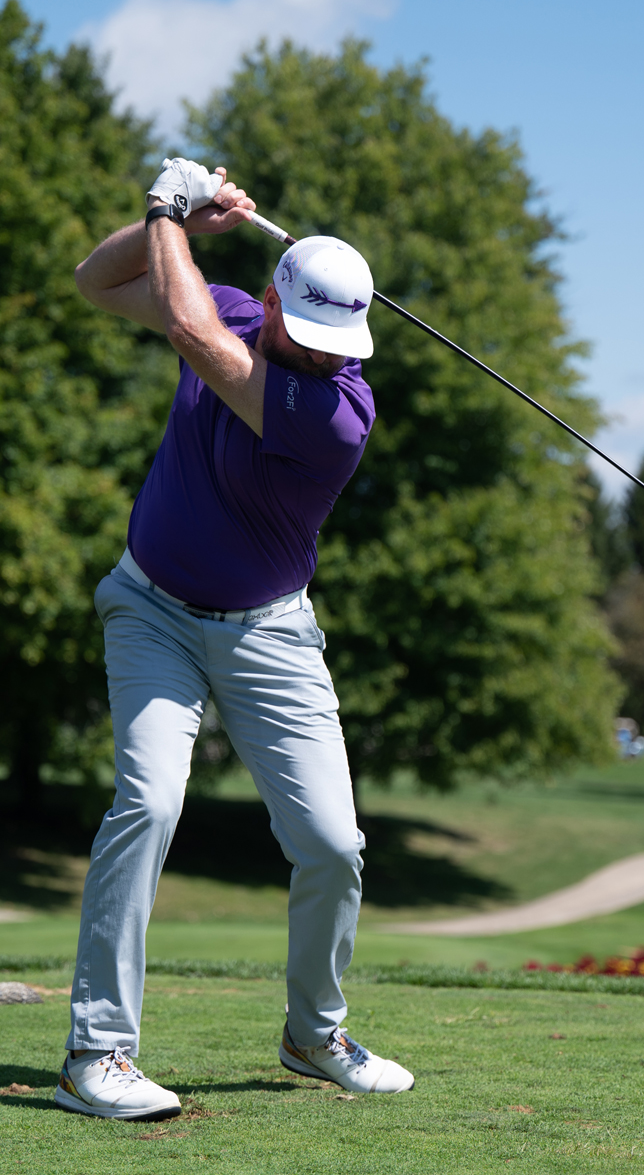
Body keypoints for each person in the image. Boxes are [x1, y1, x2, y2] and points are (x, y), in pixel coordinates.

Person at [54, 159, 414, 1121]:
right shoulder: (237, 311)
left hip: (271, 635)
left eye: (348, 339)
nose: (337, 353)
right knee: (150, 801)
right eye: (318, 333)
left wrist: (168, 206)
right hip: (154, 609)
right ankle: (98, 1052)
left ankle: (314, 1033)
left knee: (335, 844)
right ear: (274, 302)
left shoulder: (338, 416)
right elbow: (99, 283)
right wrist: (168, 228)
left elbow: (188, 331)